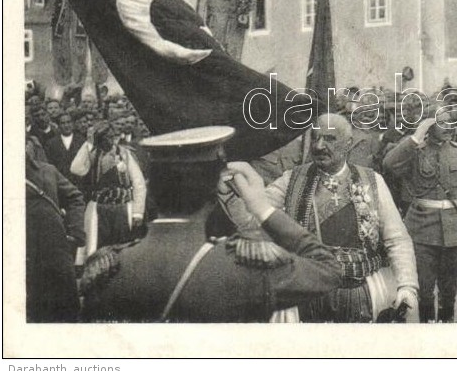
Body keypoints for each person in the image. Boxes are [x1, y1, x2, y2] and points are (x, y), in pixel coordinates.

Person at [80, 127, 342, 322]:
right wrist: (262, 208)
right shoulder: (247, 268)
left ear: (153, 188)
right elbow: (328, 268)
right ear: (213, 191)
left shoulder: (107, 269)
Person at [260, 113, 419, 323]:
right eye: (316, 137)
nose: (318, 146)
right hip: (307, 295)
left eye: (330, 139)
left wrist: (406, 285)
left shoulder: (372, 180)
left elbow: (396, 239)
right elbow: (255, 212)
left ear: (348, 144)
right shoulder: (292, 179)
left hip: (358, 293)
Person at [383, 110, 457, 322]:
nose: (448, 127)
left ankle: (445, 327)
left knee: (449, 290)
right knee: (425, 290)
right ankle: (427, 328)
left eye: (451, 123)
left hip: (454, 231)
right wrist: (416, 136)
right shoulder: (415, 150)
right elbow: (389, 164)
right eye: (441, 123)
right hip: (421, 231)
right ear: (429, 126)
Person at [26, 149, 86, 322]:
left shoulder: (47, 171)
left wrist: (75, 233)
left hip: (56, 252)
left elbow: (75, 197)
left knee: (66, 309)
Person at [70, 121, 147, 249]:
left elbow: (139, 183)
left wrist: (138, 212)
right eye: (106, 137)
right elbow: (76, 169)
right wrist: (88, 144)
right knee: (97, 248)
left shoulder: (124, 154)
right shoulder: (92, 154)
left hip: (123, 208)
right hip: (98, 208)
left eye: (112, 136)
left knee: (121, 248)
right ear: (99, 139)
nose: (110, 140)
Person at [43, 112, 86, 180]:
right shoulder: (51, 143)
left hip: (79, 182)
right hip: (59, 182)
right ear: (59, 125)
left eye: (68, 122)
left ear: (73, 124)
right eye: (63, 123)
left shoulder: (82, 141)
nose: (66, 125)